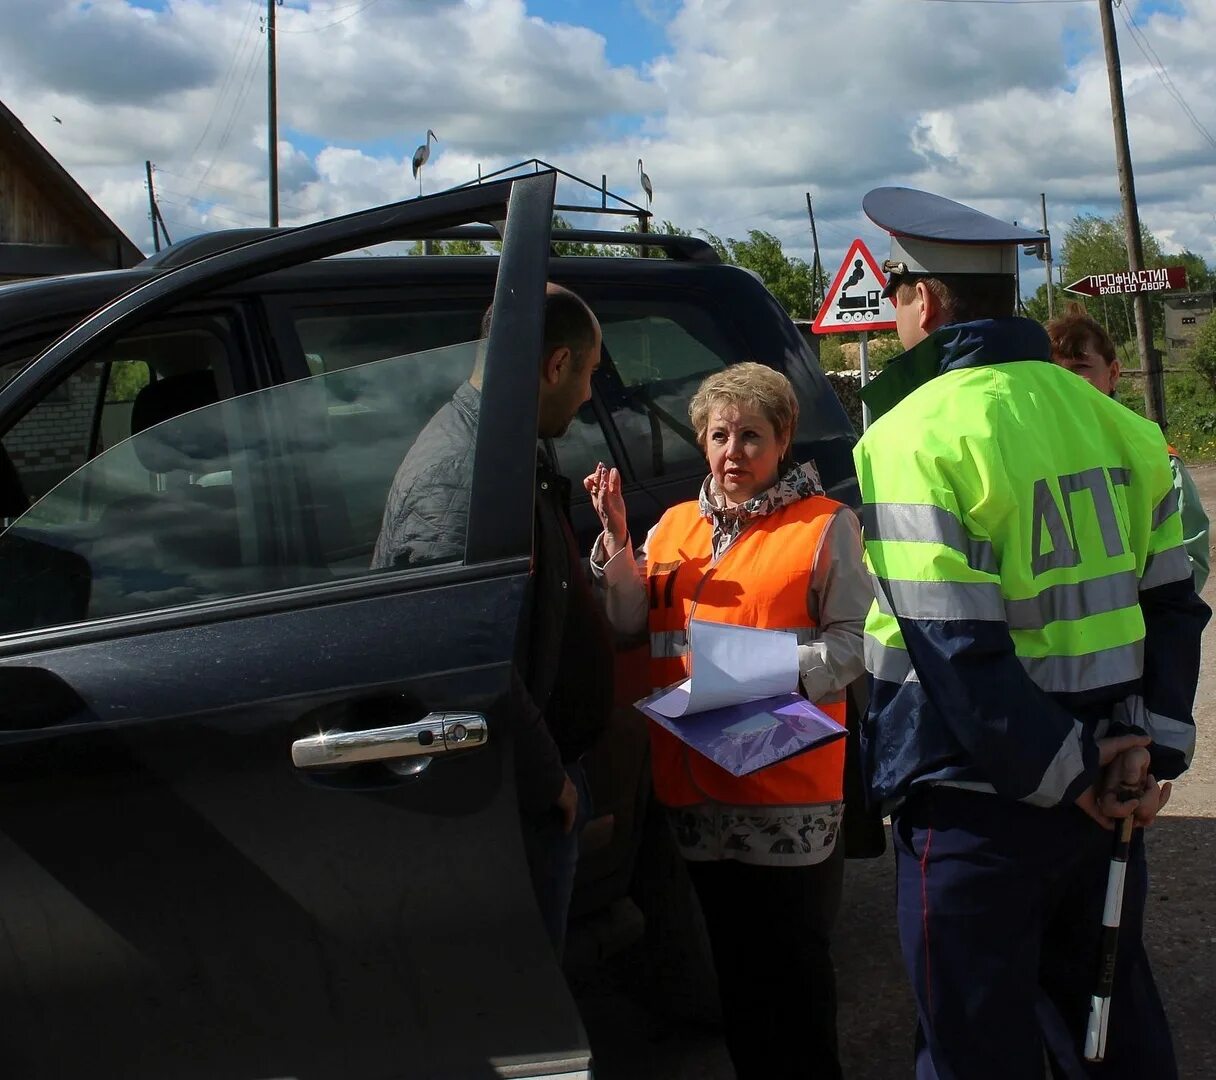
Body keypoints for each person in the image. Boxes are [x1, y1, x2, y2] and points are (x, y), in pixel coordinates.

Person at [852, 186, 1210, 1080]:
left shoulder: (912, 434)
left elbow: (951, 647)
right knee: (1107, 1021)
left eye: (895, 285)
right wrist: (1149, 754)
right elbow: (1176, 604)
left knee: (976, 1048)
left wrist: (1069, 777)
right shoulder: (1123, 427)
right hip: (1107, 792)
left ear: (924, 301)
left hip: (978, 807)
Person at [587, 362, 870, 1080]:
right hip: (696, 785)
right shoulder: (674, 526)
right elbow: (628, 624)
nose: (733, 451)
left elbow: (856, 645)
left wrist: (758, 669)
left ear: (783, 442)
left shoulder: (824, 526)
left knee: (795, 973)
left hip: (786, 788)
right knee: (736, 972)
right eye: (719, 435)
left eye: (752, 435)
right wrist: (619, 544)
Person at [373, 283, 614, 957]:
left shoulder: (504, 443)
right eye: (590, 375)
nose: (591, 396)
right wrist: (550, 782)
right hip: (513, 799)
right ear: (556, 366)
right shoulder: (459, 475)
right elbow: (460, 652)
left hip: (528, 787)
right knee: (519, 988)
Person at [1047, 301, 1210, 591]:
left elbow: (1189, 563)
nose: (1066, 383)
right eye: (1054, 372)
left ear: (1113, 374)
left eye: (1079, 367)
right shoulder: (1029, 456)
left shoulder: (1158, 460)